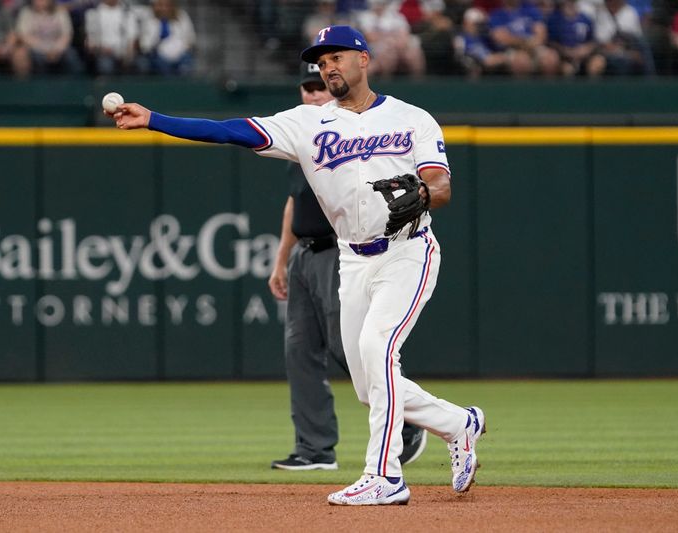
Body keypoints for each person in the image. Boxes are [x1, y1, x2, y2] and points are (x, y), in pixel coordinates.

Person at [108, 25, 486, 506]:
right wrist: (156, 119)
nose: (327, 65)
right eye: (320, 60)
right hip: (353, 259)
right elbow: (231, 131)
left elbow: (442, 186)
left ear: (363, 59)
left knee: (376, 349)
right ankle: (459, 424)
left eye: (337, 56)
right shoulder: (308, 123)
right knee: (371, 388)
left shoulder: (412, 119)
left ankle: (385, 476)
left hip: (408, 250)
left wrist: (425, 194)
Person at [269, 62, 428, 472]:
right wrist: (282, 258)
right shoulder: (302, 134)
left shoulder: (361, 135)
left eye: (318, 83)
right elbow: (293, 203)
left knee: (356, 351)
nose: (312, 91)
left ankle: (410, 422)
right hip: (305, 253)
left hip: (344, 255)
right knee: (299, 351)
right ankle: (314, 449)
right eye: (307, 85)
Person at [15, 0, 84, 75]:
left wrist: (56, 49)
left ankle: (73, 83)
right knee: (36, 58)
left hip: (59, 48)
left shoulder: (60, 11)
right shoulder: (26, 12)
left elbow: (67, 34)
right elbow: (24, 35)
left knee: (72, 57)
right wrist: (45, 49)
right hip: (36, 48)